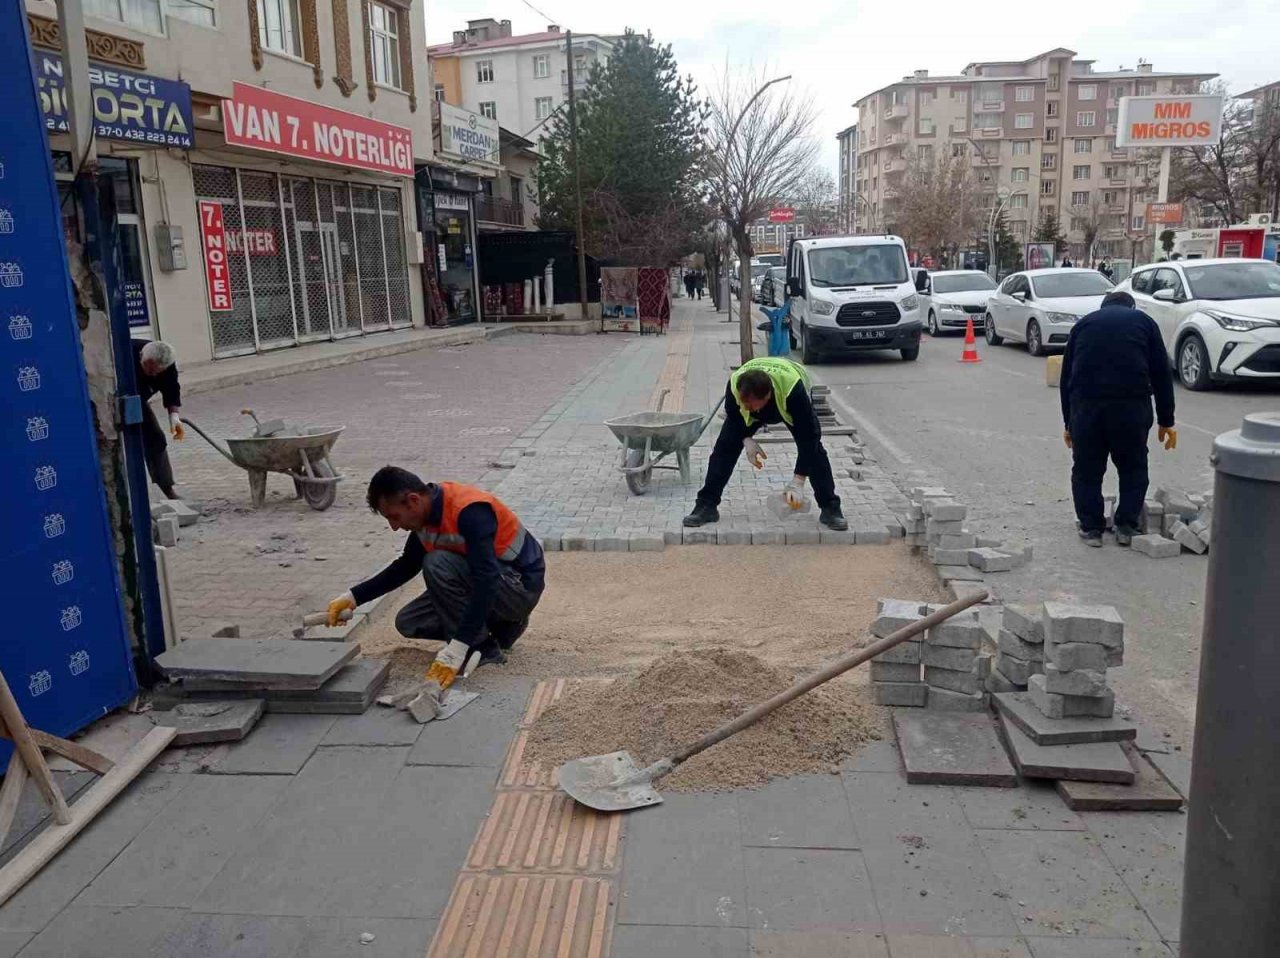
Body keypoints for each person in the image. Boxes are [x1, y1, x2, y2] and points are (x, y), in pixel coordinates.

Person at [326, 468, 545, 692]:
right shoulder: (426, 519)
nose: (394, 526)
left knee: (437, 562)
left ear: (413, 500)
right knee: (410, 622)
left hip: (518, 589)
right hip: (491, 586)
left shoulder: (469, 512)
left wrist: (459, 647)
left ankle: (485, 648)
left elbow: (486, 580)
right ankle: (502, 628)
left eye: (394, 516)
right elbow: (405, 566)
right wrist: (353, 597)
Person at [1060, 291, 1176, 548]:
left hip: (1088, 410)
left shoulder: (1084, 324)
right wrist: (1166, 419)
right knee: (1133, 467)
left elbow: (1067, 378)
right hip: (1131, 410)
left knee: (1087, 470)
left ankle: (1091, 529)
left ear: (1103, 307)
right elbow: (1161, 374)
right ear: (1131, 306)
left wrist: (1068, 422)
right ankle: (1126, 526)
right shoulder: (1144, 323)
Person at [683, 357, 848, 531]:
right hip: (758, 395)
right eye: (743, 401)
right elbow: (734, 414)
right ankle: (706, 505)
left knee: (814, 452)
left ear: (767, 396)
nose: (746, 407)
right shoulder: (734, 385)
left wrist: (798, 481)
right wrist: (746, 439)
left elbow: (810, 436)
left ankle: (830, 506)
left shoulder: (794, 392)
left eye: (751, 404)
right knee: (723, 450)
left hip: (786, 398)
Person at [133, 339, 184, 500]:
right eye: (151, 371)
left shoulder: (166, 363)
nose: (155, 375)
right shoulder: (123, 352)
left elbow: (172, 390)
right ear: (142, 358)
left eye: (158, 372)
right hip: (113, 398)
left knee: (156, 439)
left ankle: (168, 490)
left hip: (139, 401)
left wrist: (174, 417)